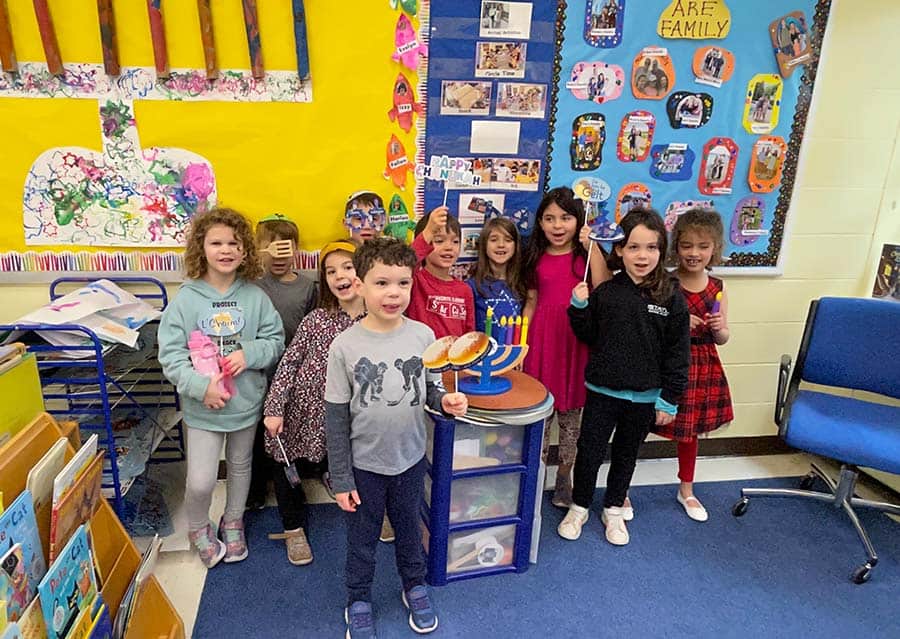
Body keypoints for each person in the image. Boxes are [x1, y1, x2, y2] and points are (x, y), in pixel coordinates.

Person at [325, 237, 468, 638]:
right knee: (362, 540)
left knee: (409, 530)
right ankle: (358, 598)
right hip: (363, 467)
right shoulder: (344, 346)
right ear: (360, 285)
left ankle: (414, 585)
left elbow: (432, 391)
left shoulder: (423, 336)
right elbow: (335, 418)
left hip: (410, 460)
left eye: (403, 283)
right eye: (382, 283)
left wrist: (446, 402)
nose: (393, 293)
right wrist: (342, 479)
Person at [158, 208, 284, 568]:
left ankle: (233, 521)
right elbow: (171, 356)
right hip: (203, 409)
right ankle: (198, 527)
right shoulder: (185, 300)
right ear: (201, 247)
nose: (226, 250)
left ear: (245, 251)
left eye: (234, 243)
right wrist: (201, 387)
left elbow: (275, 341)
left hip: (245, 405)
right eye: (216, 243)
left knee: (240, 468)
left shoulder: (256, 297)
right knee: (201, 480)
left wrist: (250, 354)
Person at [558, 208, 689, 546]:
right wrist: (578, 307)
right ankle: (579, 505)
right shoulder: (607, 292)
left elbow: (678, 354)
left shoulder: (671, 297)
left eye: (651, 247)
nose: (642, 256)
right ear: (619, 250)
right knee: (589, 452)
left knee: (626, 455)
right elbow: (589, 335)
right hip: (602, 392)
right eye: (633, 247)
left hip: (644, 397)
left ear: (661, 250)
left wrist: (669, 399)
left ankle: (614, 508)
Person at [262, 239, 366, 565]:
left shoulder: (377, 322)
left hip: (349, 416)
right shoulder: (317, 319)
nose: (340, 276)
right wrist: (274, 408)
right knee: (285, 463)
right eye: (331, 271)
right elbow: (289, 364)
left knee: (362, 461)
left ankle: (368, 508)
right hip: (302, 412)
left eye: (348, 267)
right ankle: (293, 528)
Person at [522, 186, 610, 507]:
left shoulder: (584, 256)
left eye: (565, 218)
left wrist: (593, 247)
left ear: (578, 221)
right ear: (540, 222)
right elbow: (531, 302)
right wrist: (522, 344)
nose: (557, 225)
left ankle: (563, 477)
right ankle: (533, 477)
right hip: (541, 342)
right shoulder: (534, 256)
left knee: (571, 421)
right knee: (539, 416)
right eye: (549, 218)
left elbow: (604, 287)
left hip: (575, 343)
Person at [653, 209, 733, 522]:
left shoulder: (718, 287)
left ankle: (686, 488)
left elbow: (723, 338)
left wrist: (719, 328)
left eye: (703, 246)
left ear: (715, 249)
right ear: (676, 246)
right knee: (641, 423)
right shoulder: (666, 282)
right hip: (667, 364)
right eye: (687, 245)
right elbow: (652, 327)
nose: (694, 253)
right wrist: (677, 321)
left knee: (690, 432)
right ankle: (624, 487)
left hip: (702, 366)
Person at [246, 213, 317, 511]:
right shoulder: (250, 284)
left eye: (286, 247)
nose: (278, 255)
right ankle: (256, 489)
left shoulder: (308, 286)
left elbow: (313, 329)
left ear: (296, 250)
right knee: (256, 434)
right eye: (270, 247)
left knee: (288, 431)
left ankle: (294, 485)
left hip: (294, 374)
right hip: (258, 372)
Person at [407, 206, 475, 338]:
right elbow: (406, 263)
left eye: (455, 241)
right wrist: (428, 231)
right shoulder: (415, 280)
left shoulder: (465, 290)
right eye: (439, 241)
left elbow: (469, 333)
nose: (449, 247)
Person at [466, 217, 527, 331]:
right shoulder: (471, 287)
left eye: (508, 240)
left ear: (516, 246)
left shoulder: (521, 285)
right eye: (494, 240)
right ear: (484, 245)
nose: (501, 245)